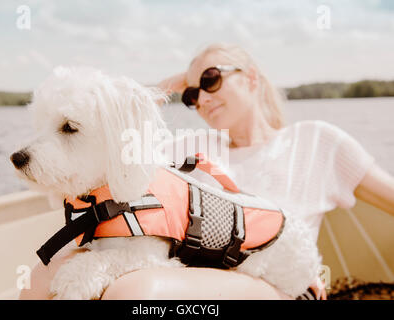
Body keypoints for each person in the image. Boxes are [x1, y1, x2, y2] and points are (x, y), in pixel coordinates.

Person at [20, 43, 394, 300]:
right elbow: (120, 117)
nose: (202, 98)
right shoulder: (184, 148)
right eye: (191, 93)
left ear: (251, 77)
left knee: (136, 294)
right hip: (192, 271)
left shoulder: (318, 139)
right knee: (38, 280)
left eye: (212, 79)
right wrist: (181, 81)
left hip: (277, 283)